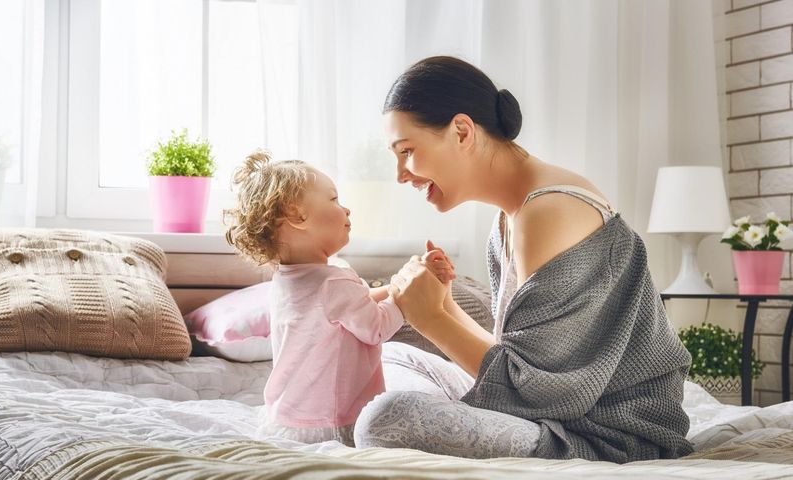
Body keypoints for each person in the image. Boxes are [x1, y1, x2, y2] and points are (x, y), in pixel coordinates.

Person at [353, 56, 694, 463]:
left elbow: (540, 393)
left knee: (385, 418)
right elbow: (518, 359)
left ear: (462, 130)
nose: (400, 174)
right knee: (390, 357)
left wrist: (431, 318)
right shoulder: (511, 217)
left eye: (407, 151)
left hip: (610, 435)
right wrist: (439, 303)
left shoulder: (550, 211)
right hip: (555, 413)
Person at [223, 150, 455, 446]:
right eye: (334, 200)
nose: (346, 210)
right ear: (297, 215)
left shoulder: (287, 278)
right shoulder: (334, 281)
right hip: (333, 422)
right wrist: (407, 296)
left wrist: (399, 283)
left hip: (288, 417)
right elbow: (376, 328)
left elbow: (352, 305)